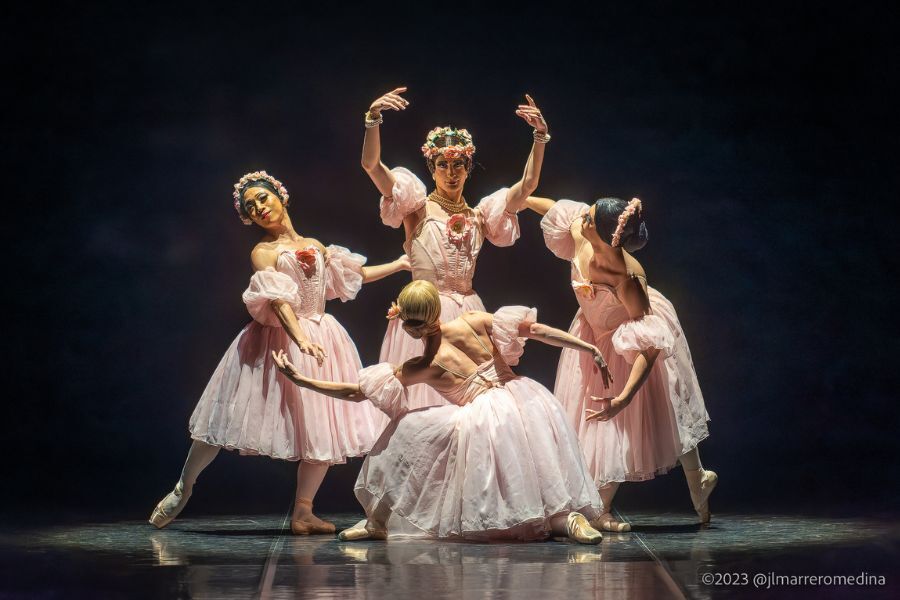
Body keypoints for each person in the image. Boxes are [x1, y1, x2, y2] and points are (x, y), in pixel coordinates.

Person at [149, 170, 408, 534]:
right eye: (250, 206)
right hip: (274, 341)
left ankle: (303, 512)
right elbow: (278, 300)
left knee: (324, 426)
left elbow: (352, 276)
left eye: (262, 198)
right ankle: (184, 486)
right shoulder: (263, 252)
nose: (259, 207)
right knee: (225, 416)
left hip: (322, 335)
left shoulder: (315, 244)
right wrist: (299, 338)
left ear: (281, 197)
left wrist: (398, 264)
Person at [272, 280, 613, 544]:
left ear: (407, 325)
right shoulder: (472, 321)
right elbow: (535, 330)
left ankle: (378, 520)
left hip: (487, 416)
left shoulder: (424, 364)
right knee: (538, 469)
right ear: (436, 311)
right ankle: (568, 519)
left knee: (406, 429)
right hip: (527, 398)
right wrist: (587, 347)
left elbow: (356, 392)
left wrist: (302, 380)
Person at [527, 195, 717, 530]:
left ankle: (605, 507)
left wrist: (625, 397)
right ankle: (695, 478)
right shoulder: (581, 233)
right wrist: (518, 199)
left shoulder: (628, 279)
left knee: (651, 410)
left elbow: (649, 347)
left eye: (590, 218)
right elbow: (556, 208)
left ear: (607, 237)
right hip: (592, 333)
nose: (582, 218)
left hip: (626, 338)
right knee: (638, 413)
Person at [360, 87, 550, 410]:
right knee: (424, 406)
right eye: (442, 165)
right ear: (432, 168)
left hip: (468, 315)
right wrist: (373, 119)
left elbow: (528, 185)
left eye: (459, 164)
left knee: (474, 406)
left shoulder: (480, 215)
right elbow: (372, 165)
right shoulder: (416, 207)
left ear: (468, 166)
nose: (451, 173)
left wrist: (540, 137)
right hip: (426, 313)